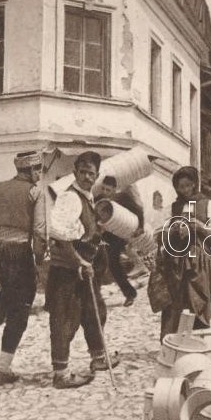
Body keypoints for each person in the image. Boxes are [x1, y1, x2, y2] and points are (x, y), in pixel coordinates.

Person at [46, 151, 118, 389]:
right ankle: (61, 373)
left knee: (94, 310)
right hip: (66, 269)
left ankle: (98, 358)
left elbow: (82, 231)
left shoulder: (88, 198)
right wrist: (79, 262)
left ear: (97, 176)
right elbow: (59, 235)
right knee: (65, 319)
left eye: (92, 173)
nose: (87, 177)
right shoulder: (70, 198)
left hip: (84, 269)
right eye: (83, 172)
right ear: (75, 172)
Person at [0, 150, 42, 387]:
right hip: (18, 255)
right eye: (38, 169)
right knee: (18, 313)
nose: (40, 173)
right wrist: (38, 263)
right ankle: (2, 370)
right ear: (30, 170)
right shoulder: (35, 192)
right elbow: (39, 230)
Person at [157, 166, 211, 340]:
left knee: (201, 300)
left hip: (200, 264)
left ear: (194, 184)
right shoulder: (173, 208)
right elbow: (160, 233)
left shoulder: (206, 204)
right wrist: (173, 231)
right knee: (176, 304)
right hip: (176, 265)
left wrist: (199, 228)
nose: (185, 190)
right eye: (181, 187)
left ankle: (202, 338)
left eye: (188, 185)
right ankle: (176, 340)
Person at [97, 176, 144, 307]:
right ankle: (95, 295)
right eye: (103, 189)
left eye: (108, 190)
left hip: (119, 235)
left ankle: (129, 294)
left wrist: (140, 227)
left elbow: (139, 211)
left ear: (114, 190)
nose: (105, 192)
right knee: (101, 262)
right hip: (105, 236)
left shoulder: (123, 198)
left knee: (113, 263)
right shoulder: (99, 200)